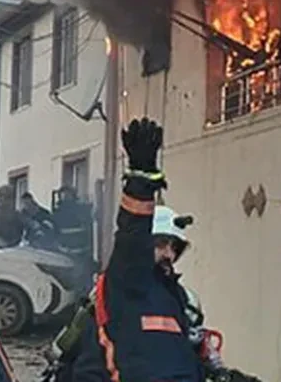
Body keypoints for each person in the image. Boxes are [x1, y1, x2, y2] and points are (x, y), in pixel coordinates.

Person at [59, 118, 204, 382]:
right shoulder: (128, 284)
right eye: (160, 244)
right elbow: (131, 237)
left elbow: (179, 360)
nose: (169, 254)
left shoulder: (177, 299)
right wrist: (141, 181)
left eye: (175, 247)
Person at [53, 186, 96, 282]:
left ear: (73, 196)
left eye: (68, 195)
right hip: (64, 252)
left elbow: (88, 229)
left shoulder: (82, 210)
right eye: (63, 196)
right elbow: (55, 232)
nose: (65, 198)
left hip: (81, 252)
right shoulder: (57, 212)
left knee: (83, 278)